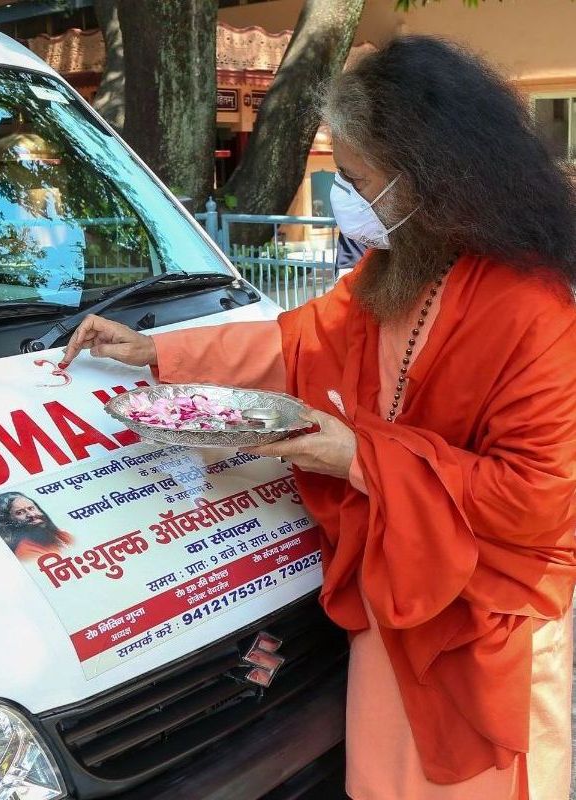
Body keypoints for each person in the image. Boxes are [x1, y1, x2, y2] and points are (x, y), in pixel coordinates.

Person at [60, 36, 576, 800]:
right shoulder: (392, 270)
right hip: (393, 596)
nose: (346, 198)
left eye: (358, 180)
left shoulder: (536, 311)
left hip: (483, 620)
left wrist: (356, 457)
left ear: (428, 181)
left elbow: (539, 500)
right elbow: (296, 345)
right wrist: (157, 352)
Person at [0, 492, 74, 561]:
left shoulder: (61, 535)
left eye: (31, 508)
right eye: (20, 512)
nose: (32, 515)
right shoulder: (26, 553)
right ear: (8, 522)